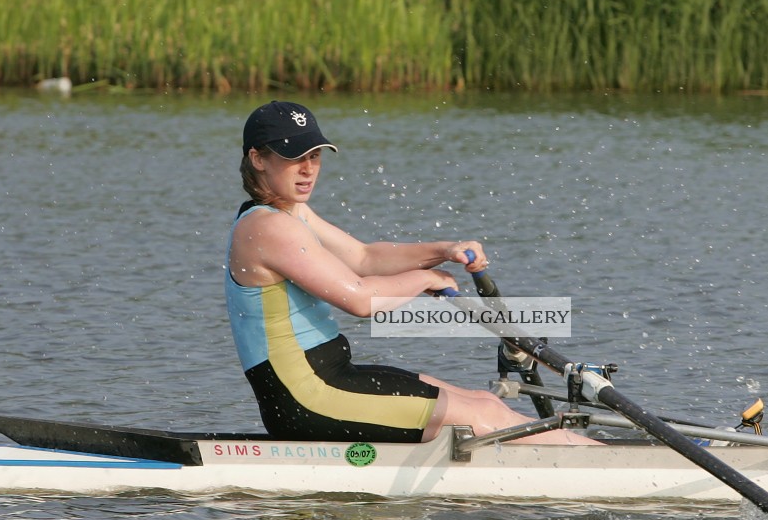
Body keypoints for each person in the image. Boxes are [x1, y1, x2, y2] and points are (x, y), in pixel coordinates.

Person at [226, 100, 599, 445]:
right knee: (480, 415)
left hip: (329, 378)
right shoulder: (266, 228)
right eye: (295, 157)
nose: (309, 168)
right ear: (258, 159)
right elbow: (360, 299)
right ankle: (609, 467)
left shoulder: (290, 214)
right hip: (307, 397)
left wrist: (444, 252)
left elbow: (364, 258)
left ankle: (590, 457)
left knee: (483, 401)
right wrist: (427, 279)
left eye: (315, 155)